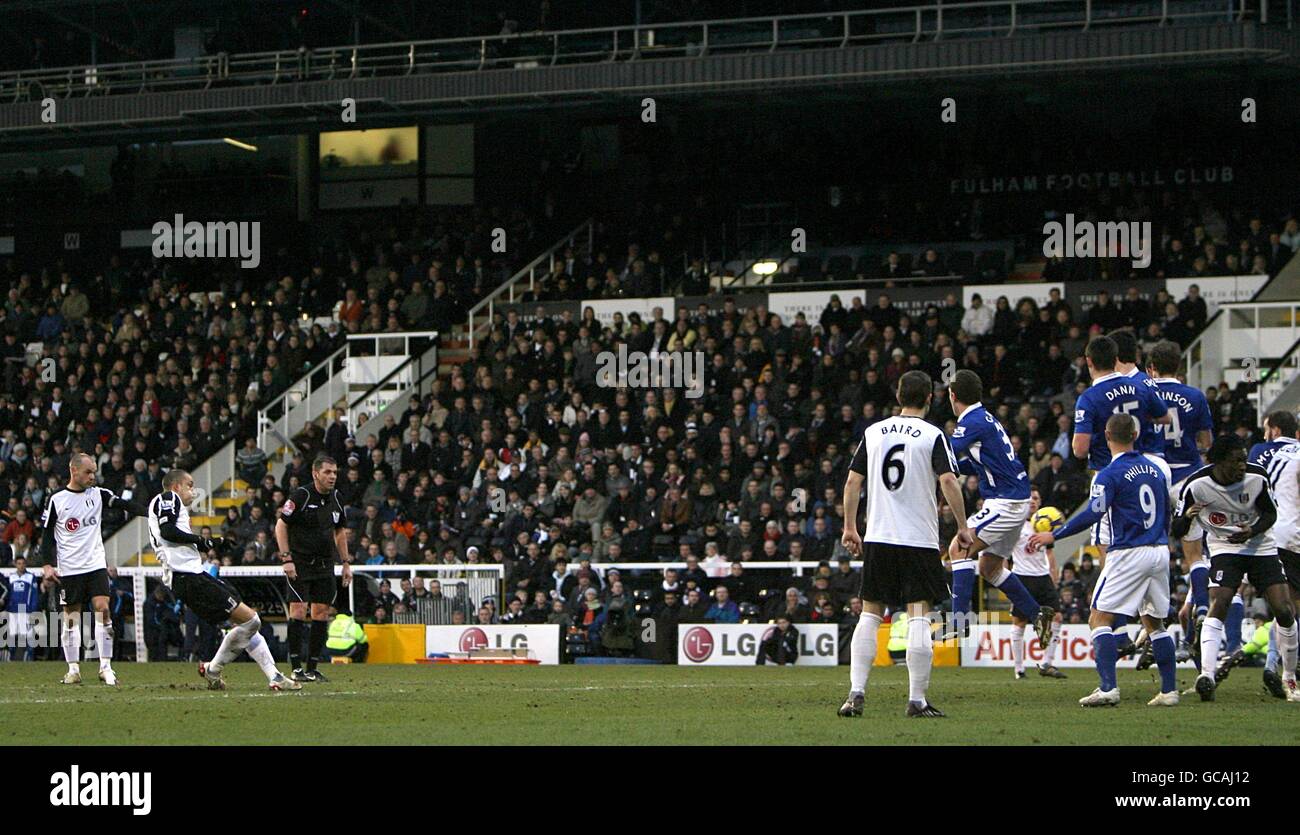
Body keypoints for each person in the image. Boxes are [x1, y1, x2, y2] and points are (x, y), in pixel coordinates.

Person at [838, 370, 974, 719]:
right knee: (918, 614)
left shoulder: (873, 431)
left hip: (879, 536)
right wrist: (962, 526)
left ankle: (855, 694)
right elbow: (947, 480)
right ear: (930, 398)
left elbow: (853, 482)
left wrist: (850, 527)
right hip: (918, 539)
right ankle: (916, 700)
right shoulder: (932, 435)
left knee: (870, 613)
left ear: (899, 396)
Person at [1029, 413, 1180, 707]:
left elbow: (1093, 513)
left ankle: (1108, 688)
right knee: (1154, 623)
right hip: (1160, 550)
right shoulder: (1155, 470)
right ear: (1135, 435)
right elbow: (1168, 512)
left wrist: (1054, 535)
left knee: (1098, 618)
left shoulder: (1107, 474)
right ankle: (1169, 691)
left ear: (1107, 437)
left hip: (1129, 552)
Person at [1171, 436, 1299, 702]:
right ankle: (1206, 674)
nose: (1242, 466)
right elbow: (1177, 530)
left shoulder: (1257, 477)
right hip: (1224, 546)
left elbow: (1271, 514)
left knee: (1284, 610)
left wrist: (1252, 530)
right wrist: (1187, 517)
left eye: (1243, 459)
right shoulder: (1196, 486)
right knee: (1220, 601)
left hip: (1260, 546)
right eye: (1235, 461)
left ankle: (1290, 677)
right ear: (1218, 462)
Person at [149, 468, 299, 691]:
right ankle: (214, 668)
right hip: (189, 578)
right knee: (251, 621)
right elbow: (168, 531)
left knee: (247, 625)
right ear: (176, 487)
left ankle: (273, 676)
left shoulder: (168, 505)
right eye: (189, 485)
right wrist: (202, 541)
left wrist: (214, 543)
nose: (193, 490)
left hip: (192, 577)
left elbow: (174, 534)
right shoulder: (168, 498)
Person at [945, 370, 1054, 643]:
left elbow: (945, 451)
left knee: (959, 548)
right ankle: (1037, 613)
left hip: (1005, 501)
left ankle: (959, 620)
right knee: (990, 568)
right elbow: (982, 462)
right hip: (1014, 498)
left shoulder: (971, 421)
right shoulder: (985, 418)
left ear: (953, 395)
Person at [39, 452, 147, 686]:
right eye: (88, 472)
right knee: (71, 619)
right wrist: (47, 565)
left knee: (103, 609)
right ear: (73, 470)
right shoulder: (56, 499)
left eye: (94, 472)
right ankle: (73, 669)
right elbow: (47, 537)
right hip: (69, 569)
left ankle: (105, 667)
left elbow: (126, 504)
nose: (92, 476)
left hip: (96, 565)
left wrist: (153, 512)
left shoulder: (98, 494)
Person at [1146, 339, 1214, 658]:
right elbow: (1206, 441)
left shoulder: (1143, 391)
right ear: (1180, 367)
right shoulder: (1195, 396)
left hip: (1154, 476)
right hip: (1188, 477)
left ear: (1151, 368)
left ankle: (1155, 626)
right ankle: (1201, 608)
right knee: (1194, 554)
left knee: (1153, 549)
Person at [276, 454, 353, 682]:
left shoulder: (337, 498)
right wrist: (286, 559)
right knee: (298, 610)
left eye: (335, 473)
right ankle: (296, 667)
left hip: (325, 565)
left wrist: (346, 562)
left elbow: (339, 532)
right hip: (299, 564)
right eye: (328, 472)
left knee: (321, 613)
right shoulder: (302, 495)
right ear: (315, 473)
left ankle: (312, 667)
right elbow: (281, 526)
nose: (332, 477)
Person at [1245, 410, 1300, 698]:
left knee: (1287, 609)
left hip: (1272, 535)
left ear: (1275, 430)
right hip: (1293, 536)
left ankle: (1273, 666)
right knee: (1289, 609)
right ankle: (1283, 671)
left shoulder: (1262, 452)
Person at [1007, 489, 1066, 679]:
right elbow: (1003, 553)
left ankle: (1047, 663)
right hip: (1021, 577)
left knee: (1057, 617)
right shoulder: (1015, 525)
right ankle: (1019, 669)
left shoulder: (1045, 526)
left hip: (1042, 577)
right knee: (1020, 622)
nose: (1032, 501)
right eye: (1030, 498)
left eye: (1036, 498)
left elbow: (1049, 553)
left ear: (1040, 503)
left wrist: (1053, 575)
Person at [3, 555, 39, 661]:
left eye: (23, 563)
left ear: (25, 564)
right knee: (12, 636)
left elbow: (34, 595)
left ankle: (29, 660)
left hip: (26, 611)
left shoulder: (31, 577)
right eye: (19, 563)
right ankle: (11, 659)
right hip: (13, 610)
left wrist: (33, 610)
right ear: (15, 564)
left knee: (28, 636)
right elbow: (8, 594)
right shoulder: (11, 577)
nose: (21, 566)